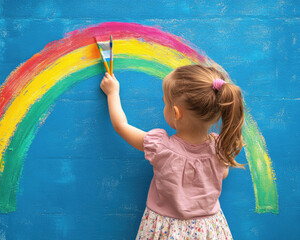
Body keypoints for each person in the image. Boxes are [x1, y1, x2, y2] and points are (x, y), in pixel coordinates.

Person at [100, 64, 245, 239]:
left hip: (165, 231)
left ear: (176, 113)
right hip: (208, 231)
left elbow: (121, 126)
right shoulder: (220, 148)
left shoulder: (161, 148)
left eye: (165, 103)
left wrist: (112, 93)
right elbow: (222, 175)